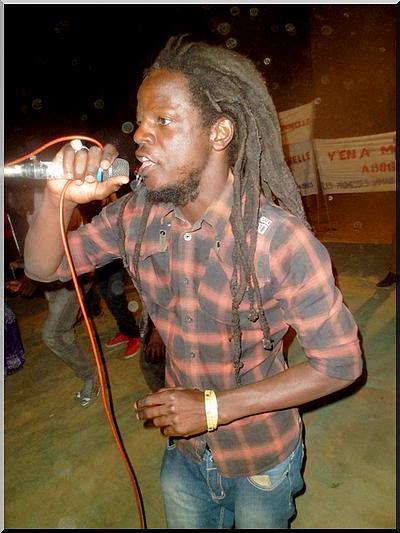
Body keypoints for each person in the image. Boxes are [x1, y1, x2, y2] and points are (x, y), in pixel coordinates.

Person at [24, 36, 363, 529]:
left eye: (163, 120)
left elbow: (341, 364)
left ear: (219, 132)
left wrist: (213, 408)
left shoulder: (280, 242)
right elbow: (41, 268)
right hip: (184, 454)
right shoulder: (135, 216)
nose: (141, 136)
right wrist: (58, 197)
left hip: (260, 457)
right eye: (140, 121)